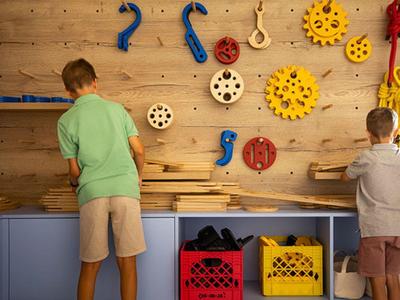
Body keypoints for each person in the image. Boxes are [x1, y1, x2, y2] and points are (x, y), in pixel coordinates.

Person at [57, 58, 146, 300]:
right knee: (127, 262)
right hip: (125, 189)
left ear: (67, 91)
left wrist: (74, 185)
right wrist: (137, 177)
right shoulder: (117, 110)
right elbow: (138, 150)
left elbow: (74, 171)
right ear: (95, 82)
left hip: (92, 192)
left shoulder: (65, 121)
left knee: (90, 264)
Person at [341, 107, 400, 300]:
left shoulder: (367, 157)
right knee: (393, 276)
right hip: (398, 229)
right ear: (396, 133)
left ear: (368, 133)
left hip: (374, 228)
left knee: (377, 277)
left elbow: (345, 177)